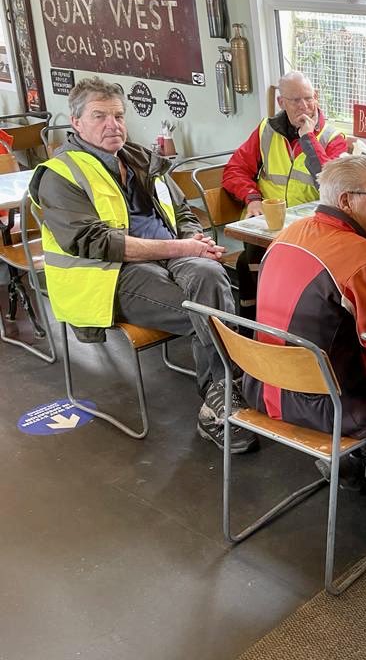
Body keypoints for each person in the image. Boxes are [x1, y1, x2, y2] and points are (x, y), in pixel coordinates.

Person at [30, 77, 256, 453]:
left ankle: (217, 399)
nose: (113, 125)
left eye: (118, 115)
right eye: (99, 116)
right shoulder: (60, 175)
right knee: (213, 310)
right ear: (76, 122)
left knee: (210, 274)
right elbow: (95, 242)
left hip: (168, 255)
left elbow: (181, 209)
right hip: (108, 277)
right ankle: (228, 392)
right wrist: (180, 246)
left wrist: (193, 240)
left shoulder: (140, 159)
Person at [241, 155, 366, 484]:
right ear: (346, 201)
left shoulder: (287, 233)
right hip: (335, 410)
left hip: (260, 386)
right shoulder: (362, 258)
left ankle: (361, 457)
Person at [221, 71, 350, 319]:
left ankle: (280, 327)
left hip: (311, 230)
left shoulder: (332, 138)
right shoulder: (265, 131)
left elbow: (332, 185)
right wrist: (252, 198)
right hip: (265, 227)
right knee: (251, 263)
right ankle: (253, 333)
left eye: (309, 98)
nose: (304, 106)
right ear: (281, 102)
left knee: (268, 269)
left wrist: (309, 139)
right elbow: (234, 170)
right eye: (295, 101)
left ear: (317, 97)